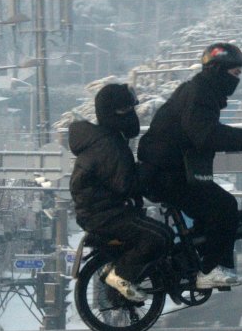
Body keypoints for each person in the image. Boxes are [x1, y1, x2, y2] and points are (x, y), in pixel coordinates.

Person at [137, 42, 242, 289]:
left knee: (212, 216)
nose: (237, 79)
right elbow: (206, 134)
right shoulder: (200, 95)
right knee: (224, 207)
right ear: (218, 70)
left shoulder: (202, 91)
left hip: (171, 171)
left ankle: (191, 263)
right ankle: (212, 270)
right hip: (165, 174)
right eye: (235, 73)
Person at [69, 83, 169, 302]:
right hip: (104, 214)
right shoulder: (107, 145)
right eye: (126, 110)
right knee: (157, 238)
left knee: (161, 233)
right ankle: (121, 275)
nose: (132, 115)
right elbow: (126, 184)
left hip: (106, 210)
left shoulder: (108, 139)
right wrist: (150, 166)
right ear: (112, 113)